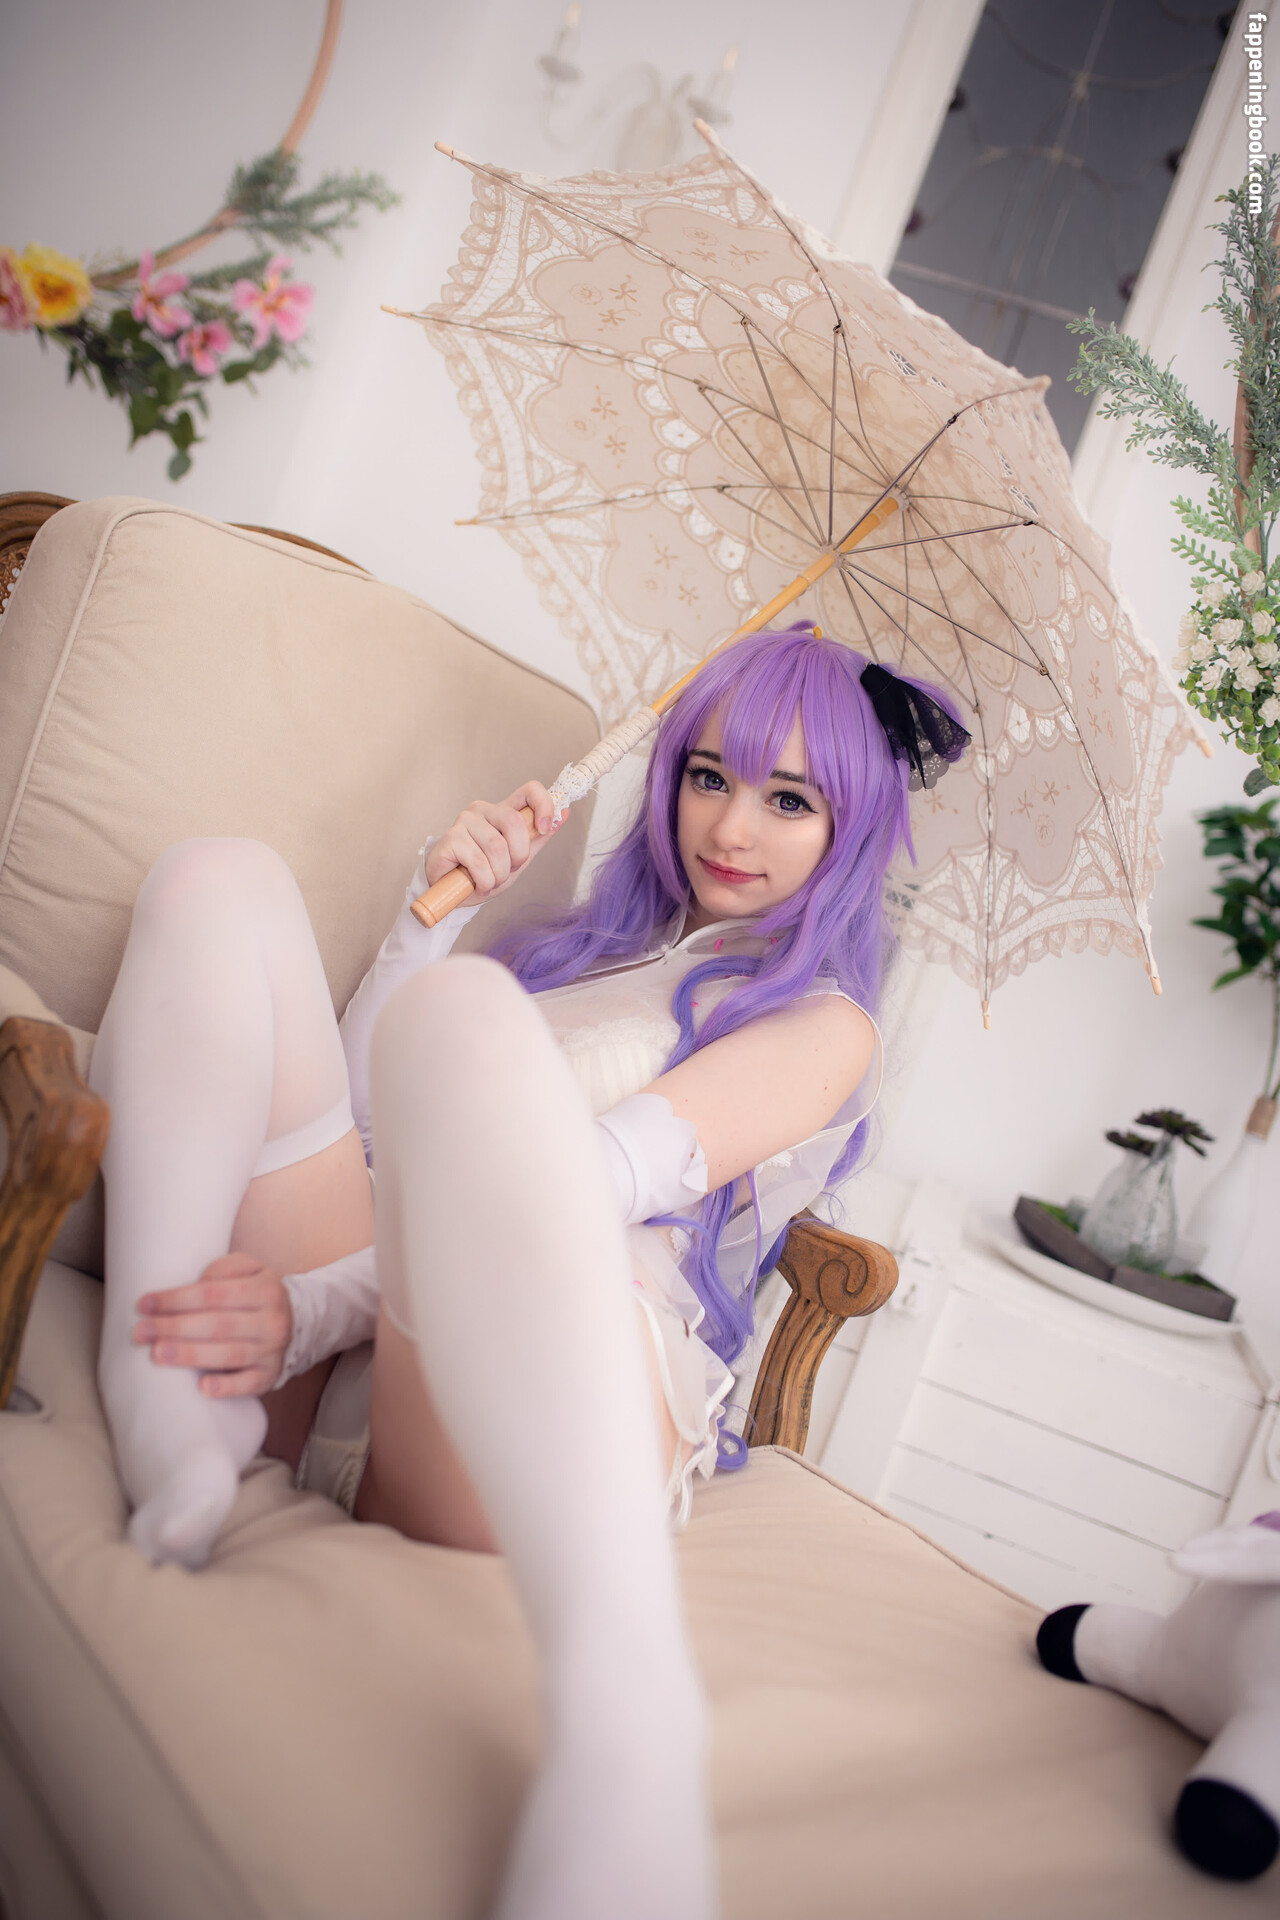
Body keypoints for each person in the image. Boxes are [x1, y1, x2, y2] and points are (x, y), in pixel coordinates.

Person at [89, 623, 967, 1920]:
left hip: (542, 1419)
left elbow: (559, 1196)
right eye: (709, 775)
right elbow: (359, 1134)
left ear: (853, 826)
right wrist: (431, 916)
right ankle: (160, 1391)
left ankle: (629, 1731)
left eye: (791, 800)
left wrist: (306, 1311)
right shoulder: (585, 955)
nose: (733, 826)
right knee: (220, 880)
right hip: (370, 1354)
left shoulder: (822, 1026)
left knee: (461, 1031)